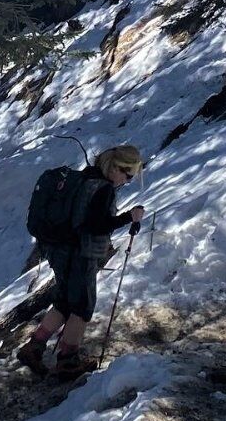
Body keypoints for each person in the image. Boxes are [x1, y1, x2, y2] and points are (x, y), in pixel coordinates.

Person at [17, 144, 145, 381]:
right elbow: (94, 226)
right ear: (116, 168)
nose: (126, 181)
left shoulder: (84, 177)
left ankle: (33, 347)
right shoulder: (103, 188)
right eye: (127, 175)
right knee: (82, 307)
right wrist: (129, 217)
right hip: (80, 254)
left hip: (58, 250)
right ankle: (68, 361)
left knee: (64, 301)